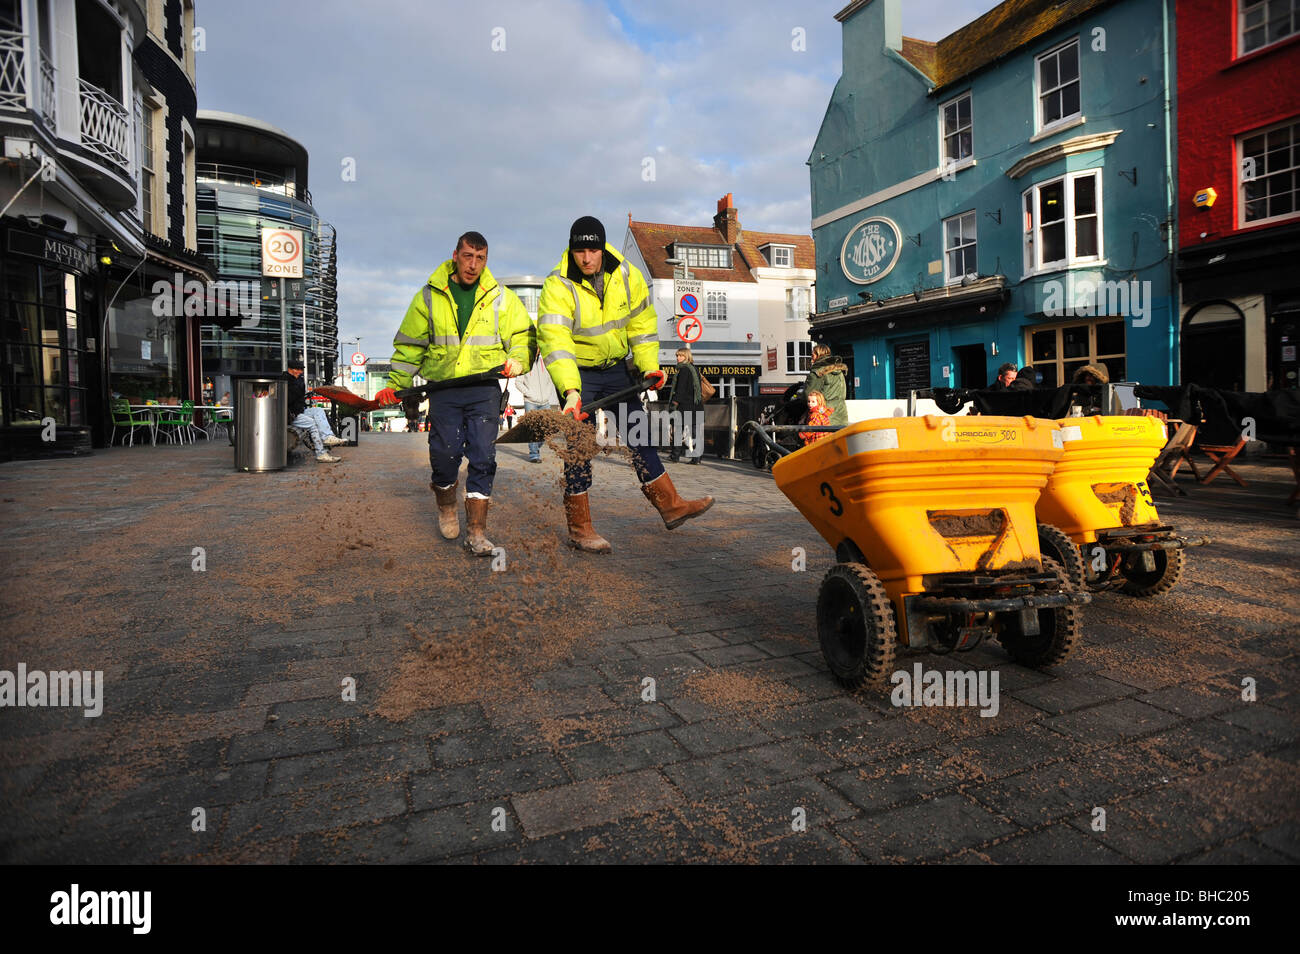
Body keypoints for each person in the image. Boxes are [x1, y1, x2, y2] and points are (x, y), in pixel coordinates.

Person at [537, 216, 713, 553]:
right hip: (579, 374)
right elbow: (555, 341)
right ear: (571, 250)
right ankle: (580, 527)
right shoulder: (557, 285)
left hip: (616, 368)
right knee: (579, 447)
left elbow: (642, 326)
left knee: (639, 433)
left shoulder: (627, 274)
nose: (586, 258)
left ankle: (671, 506)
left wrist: (649, 368)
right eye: (579, 251)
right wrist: (571, 392)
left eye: (592, 250)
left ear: (603, 248)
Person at [374, 231, 534, 556]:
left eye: (480, 258)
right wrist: (396, 384)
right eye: (467, 256)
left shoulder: (500, 297)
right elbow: (409, 347)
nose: (473, 265)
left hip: (484, 389)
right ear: (455, 255)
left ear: (486, 260)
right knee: (445, 456)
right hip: (444, 390)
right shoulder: (429, 296)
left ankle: (476, 532)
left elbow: (523, 334)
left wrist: (518, 360)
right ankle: (446, 503)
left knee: (483, 458)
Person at [286, 361, 345, 463]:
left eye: (301, 370)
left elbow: (299, 396)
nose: (300, 372)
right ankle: (321, 453)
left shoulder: (299, 380)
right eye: (298, 370)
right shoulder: (285, 380)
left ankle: (327, 437)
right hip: (289, 414)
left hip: (299, 411)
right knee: (313, 424)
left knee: (318, 410)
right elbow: (289, 398)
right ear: (291, 369)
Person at [514, 353, 559, 463]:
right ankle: (534, 455)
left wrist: (548, 393)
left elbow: (552, 380)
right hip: (531, 402)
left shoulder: (545, 362)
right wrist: (529, 394)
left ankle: (536, 446)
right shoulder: (524, 363)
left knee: (546, 429)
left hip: (545, 402)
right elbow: (518, 382)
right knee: (533, 429)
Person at [666, 347, 702, 464]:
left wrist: (674, 403)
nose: (678, 358)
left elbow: (681, 389)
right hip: (695, 405)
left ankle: (675, 456)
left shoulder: (684, 370)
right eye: (677, 355)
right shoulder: (694, 369)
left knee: (677, 431)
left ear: (686, 356)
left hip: (684, 405)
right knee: (694, 432)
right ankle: (696, 457)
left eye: (680, 355)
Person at [804, 344, 848, 426]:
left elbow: (807, 395)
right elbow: (843, 393)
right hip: (841, 415)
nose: (811, 358)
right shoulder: (839, 371)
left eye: (812, 355)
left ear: (818, 355)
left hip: (823, 417)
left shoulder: (817, 372)